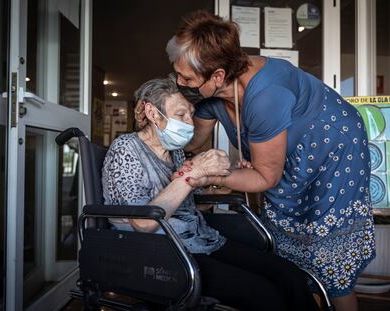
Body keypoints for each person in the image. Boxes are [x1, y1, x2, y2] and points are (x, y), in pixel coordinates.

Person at [138, 10, 375, 311]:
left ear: (218, 76)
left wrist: (207, 174)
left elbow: (265, 178)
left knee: (330, 258)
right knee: (289, 248)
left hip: (332, 151)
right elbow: (195, 141)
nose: (180, 82)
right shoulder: (210, 94)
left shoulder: (267, 95)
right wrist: (158, 137)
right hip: (290, 160)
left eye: (187, 77)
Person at [102, 78, 319, 311]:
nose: (189, 122)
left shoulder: (174, 153)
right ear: (152, 113)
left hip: (201, 240)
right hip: (161, 253)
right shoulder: (126, 148)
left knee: (289, 276)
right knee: (263, 293)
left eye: (191, 114)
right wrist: (191, 175)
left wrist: (219, 181)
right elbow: (143, 222)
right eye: (181, 114)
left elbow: (183, 206)